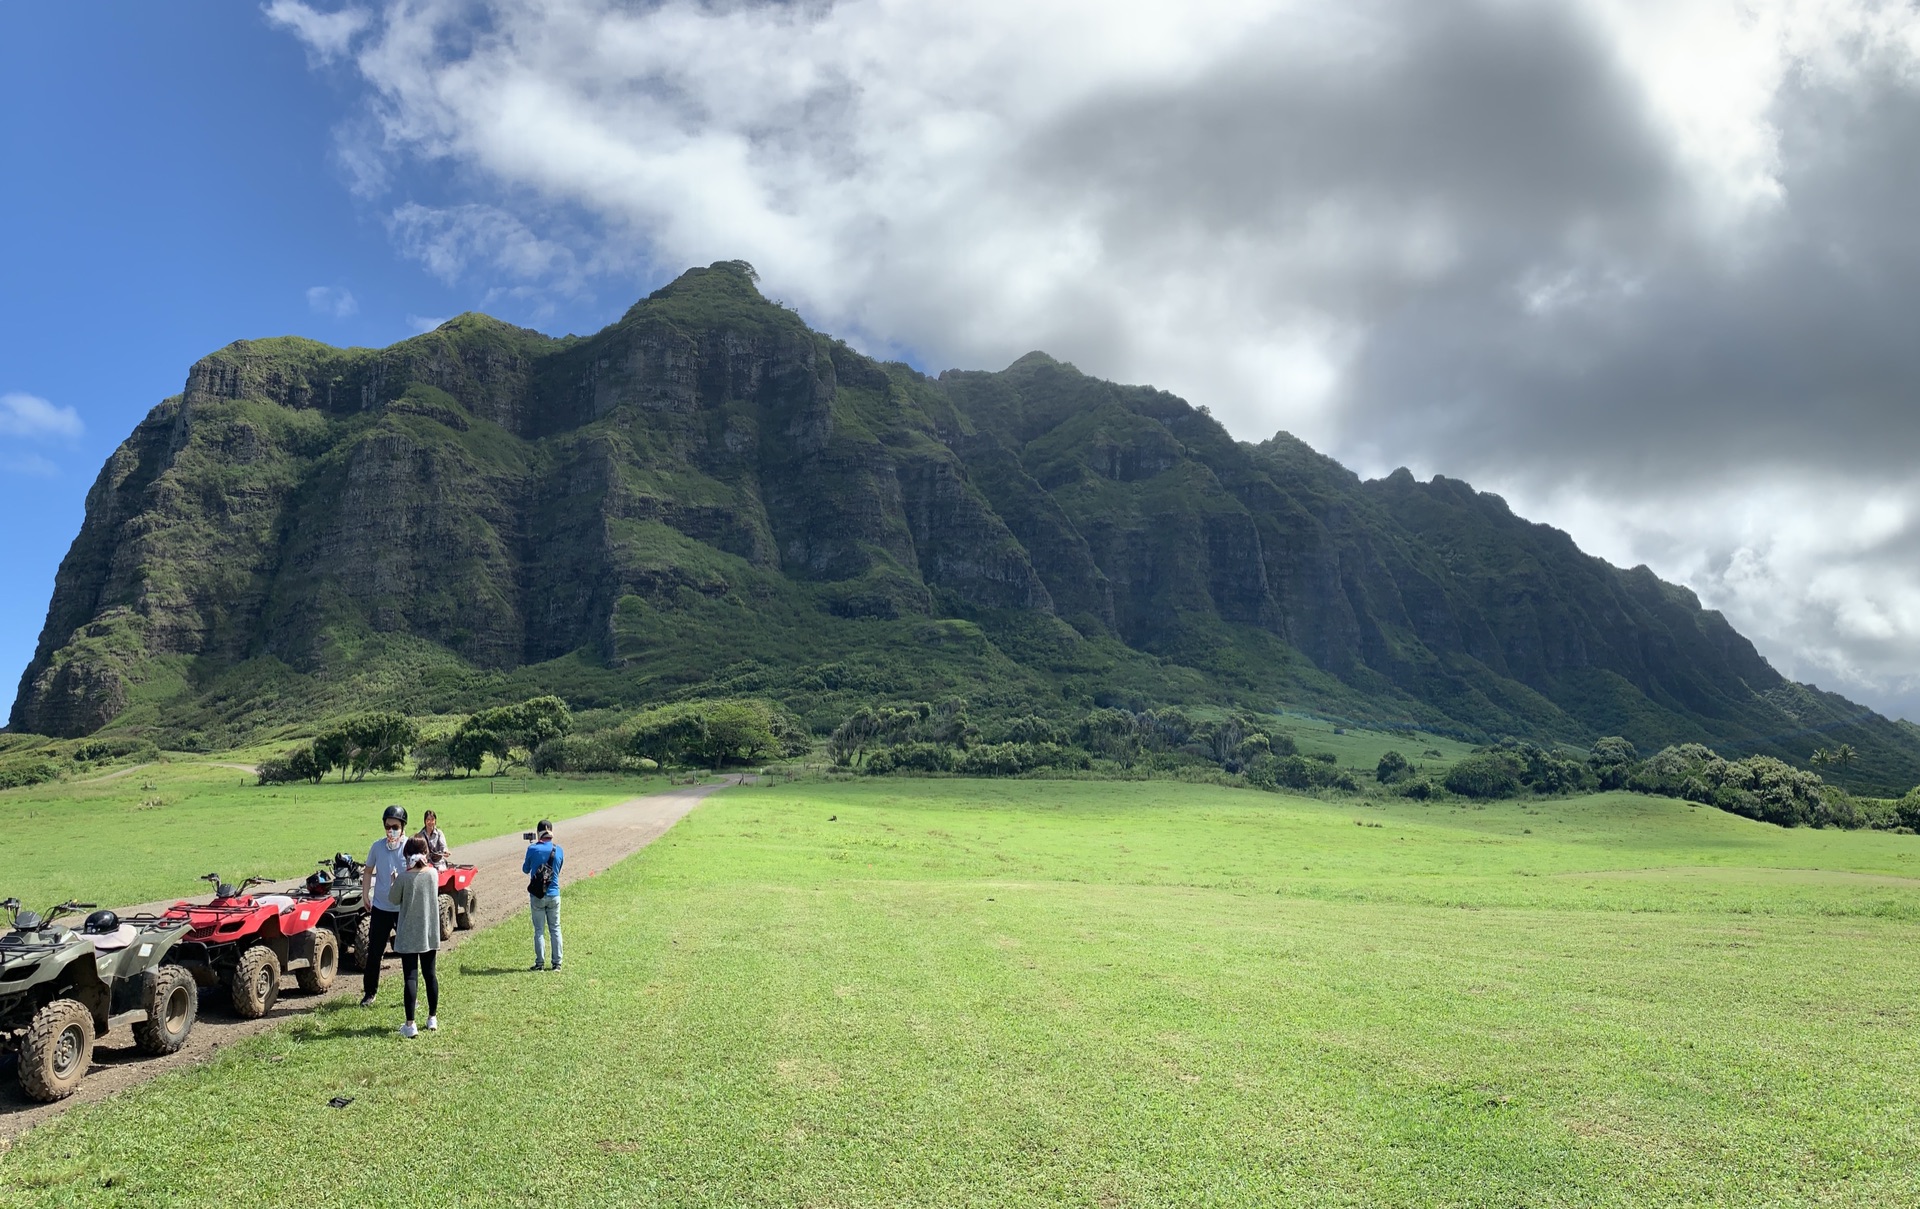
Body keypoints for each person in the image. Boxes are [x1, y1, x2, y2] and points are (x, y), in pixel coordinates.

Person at [385, 837, 442, 1037]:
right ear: (425, 853)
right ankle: (432, 1018)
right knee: (430, 975)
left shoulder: (403, 877)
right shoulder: (433, 874)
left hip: (408, 933)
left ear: (407, 855)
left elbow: (393, 899)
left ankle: (410, 1025)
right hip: (428, 932)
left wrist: (394, 881)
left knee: (411, 977)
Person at [359, 804, 411, 1006]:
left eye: (395, 827)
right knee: (374, 952)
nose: (391, 831)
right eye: (388, 826)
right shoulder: (377, 847)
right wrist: (366, 894)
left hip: (403, 908)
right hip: (380, 907)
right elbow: (367, 871)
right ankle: (369, 993)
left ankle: (410, 994)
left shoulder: (409, 847)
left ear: (403, 826)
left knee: (407, 952)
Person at [523, 819, 564, 971]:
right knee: (555, 928)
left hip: (537, 896)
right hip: (554, 893)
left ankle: (539, 963)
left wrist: (531, 851)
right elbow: (558, 869)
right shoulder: (559, 850)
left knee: (539, 930)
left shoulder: (532, 849)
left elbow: (525, 869)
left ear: (538, 832)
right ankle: (557, 963)